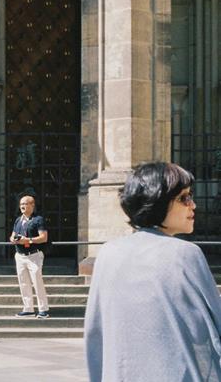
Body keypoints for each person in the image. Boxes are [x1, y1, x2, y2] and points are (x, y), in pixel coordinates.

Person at [85, 162, 221, 381]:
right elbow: (213, 326)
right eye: (183, 198)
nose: (193, 205)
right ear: (158, 201)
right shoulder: (185, 254)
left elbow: (95, 333)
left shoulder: (108, 253)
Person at [9, 195, 50, 318]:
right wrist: (13, 239)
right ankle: (28, 309)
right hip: (20, 256)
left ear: (32, 205)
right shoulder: (18, 220)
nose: (22, 206)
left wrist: (28, 240)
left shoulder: (38, 220)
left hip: (34, 255)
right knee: (23, 282)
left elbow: (44, 237)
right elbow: (13, 235)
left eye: (25, 203)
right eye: (21, 203)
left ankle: (43, 309)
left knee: (37, 281)